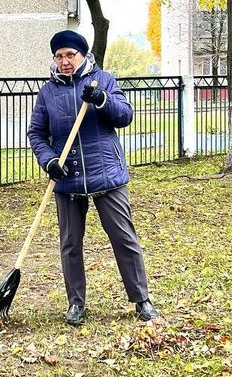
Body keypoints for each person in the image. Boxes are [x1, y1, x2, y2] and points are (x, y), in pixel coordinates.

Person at [27, 29, 158, 326]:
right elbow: (37, 133)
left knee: (124, 238)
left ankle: (141, 299)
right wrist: (49, 162)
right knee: (70, 243)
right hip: (68, 178)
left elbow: (124, 115)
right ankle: (76, 303)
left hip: (106, 175)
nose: (64, 62)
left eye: (70, 55)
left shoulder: (104, 80)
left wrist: (101, 99)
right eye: (59, 56)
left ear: (83, 55)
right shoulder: (48, 91)